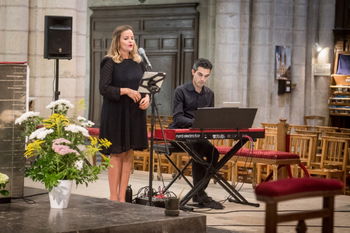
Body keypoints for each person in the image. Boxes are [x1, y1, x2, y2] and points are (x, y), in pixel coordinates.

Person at [99, 25, 150, 202]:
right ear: (118, 41)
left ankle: (122, 198)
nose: (130, 41)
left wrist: (147, 98)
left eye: (132, 38)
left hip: (134, 113)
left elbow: (146, 87)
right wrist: (125, 90)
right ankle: (113, 197)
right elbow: (104, 88)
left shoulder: (139, 62)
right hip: (115, 114)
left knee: (128, 152)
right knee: (117, 153)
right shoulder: (110, 61)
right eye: (126, 38)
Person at [169, 58, 224, 209]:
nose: (202, 79)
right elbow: (178, 117)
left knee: (214, 153)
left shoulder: (209, 94)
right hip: (180, 134)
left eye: (206, 76)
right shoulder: (181, 91)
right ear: (193, 72)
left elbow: (210, 116)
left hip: (198, 136)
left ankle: (198, 191)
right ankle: (200, 195)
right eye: (200, 75)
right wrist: (197, 123)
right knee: (198, 151)